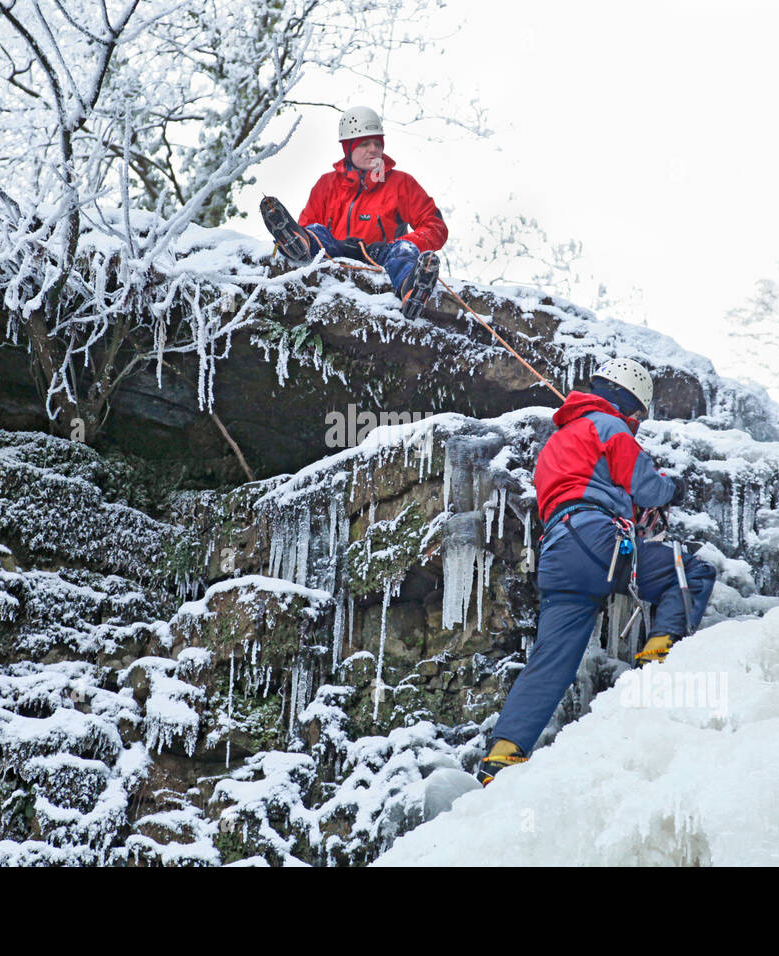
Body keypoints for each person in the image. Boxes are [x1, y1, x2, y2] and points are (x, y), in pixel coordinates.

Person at [474, 357, 717, 785]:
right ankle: (658, 655)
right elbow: (645, 485)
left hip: (558, 552)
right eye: (638, 415)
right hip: (598, 541)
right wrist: (672, 488)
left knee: (550, 660)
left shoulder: (556, 443)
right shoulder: (610, 427)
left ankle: (504, 752)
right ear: (626, 401)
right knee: (689, 570)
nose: (637, 424)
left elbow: (587, 484)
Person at [260, 105, 448, 320]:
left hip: (384, 257)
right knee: (315, 231)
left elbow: (436, 227)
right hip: (335, 253)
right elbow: (310, 222)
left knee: (404, 251)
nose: (373, 149)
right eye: (364, 144)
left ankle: (412, 288)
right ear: (348, 148)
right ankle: (295, 243)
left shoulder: (401, 183)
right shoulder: (326, 184)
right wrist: (312, 236)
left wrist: (402, 243)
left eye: (378, 143)